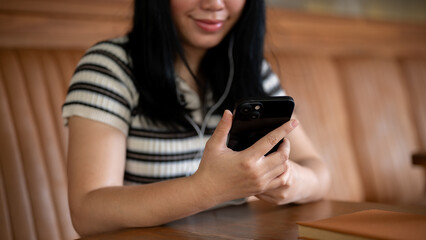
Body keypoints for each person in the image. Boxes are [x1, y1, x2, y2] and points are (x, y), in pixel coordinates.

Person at [63, 0, 330, 237]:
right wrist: (207, 188)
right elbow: (88, 213)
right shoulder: (110, 67)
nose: (214, 4)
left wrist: (289, 180)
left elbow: (318, 171)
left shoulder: (250, 70)